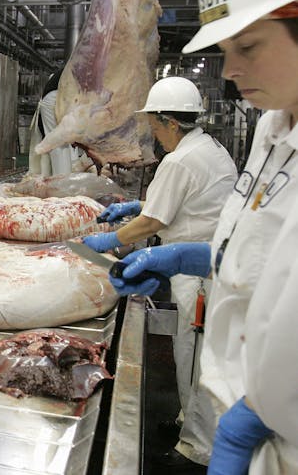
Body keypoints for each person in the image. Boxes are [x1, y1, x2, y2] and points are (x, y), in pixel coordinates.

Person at [108, 0, 298, 473]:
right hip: (244, 405)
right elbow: (259, 250)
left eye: (248, 46)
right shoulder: (271, 129)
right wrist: (197, 255)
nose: (231, 72)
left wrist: (267, 416)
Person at [83, 76, 237, 467]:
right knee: (200, 357)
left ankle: (196, 449)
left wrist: (109, 240)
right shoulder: (208, 147)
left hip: (200, 273)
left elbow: (153, 223)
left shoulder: (181, 159)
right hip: (212, 264)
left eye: (154, 125)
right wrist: (135, 207)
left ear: (170, 122)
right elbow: (177, 204)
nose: (153, 134)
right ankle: (191, 423)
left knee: (195, 357)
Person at [28, 67, 74, 177]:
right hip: (54, 101)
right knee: (58, 142)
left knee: (61, 142)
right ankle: (61, 180)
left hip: (60, 98)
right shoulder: (80, 67)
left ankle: (54, 177)